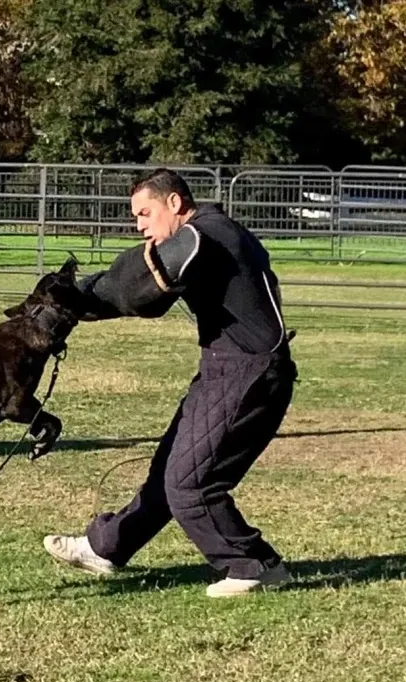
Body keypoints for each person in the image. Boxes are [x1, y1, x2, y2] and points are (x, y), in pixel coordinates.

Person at [44, 168, 298, 597]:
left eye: (145, 213)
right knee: (169, 474)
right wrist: (80, 301)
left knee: (190, 484)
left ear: (175, 203)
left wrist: (75, 302)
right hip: (224, 368)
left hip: (251, 373)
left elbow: (140, 281)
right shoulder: (211, 233)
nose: (139, 225)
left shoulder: (206, 236)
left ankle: (255, 564)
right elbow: (142, 285)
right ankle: (104, 548)